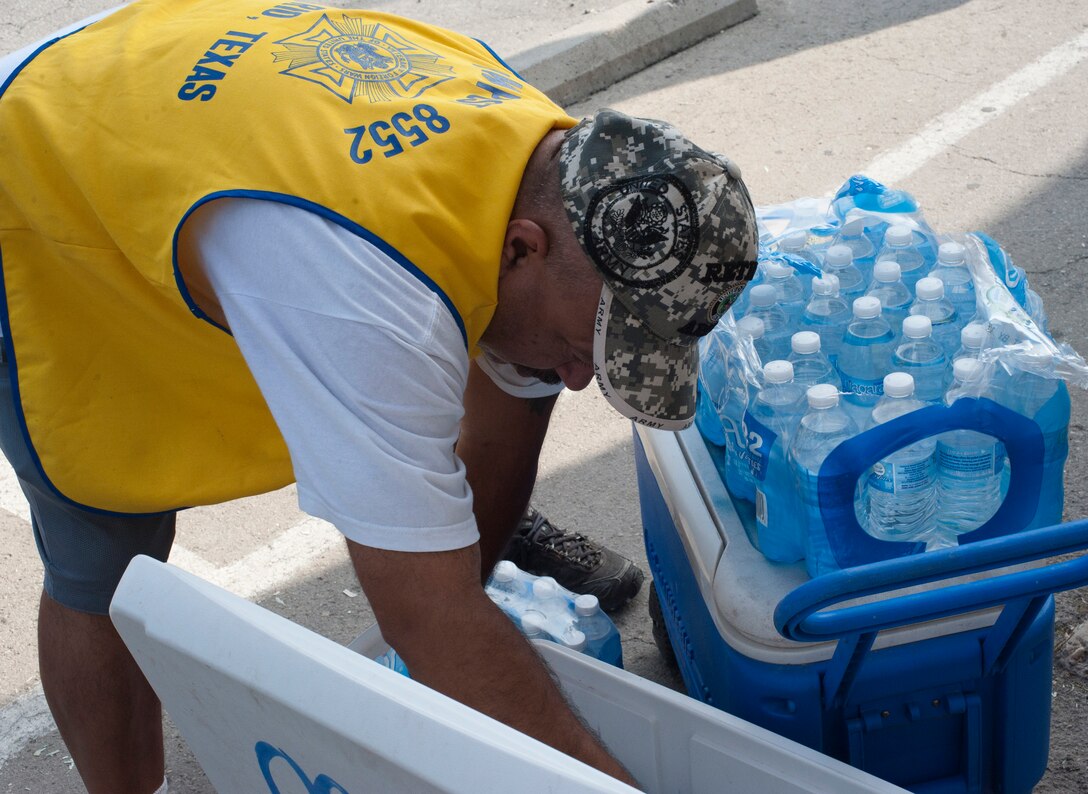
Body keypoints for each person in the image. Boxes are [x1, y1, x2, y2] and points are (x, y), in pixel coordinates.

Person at [0, 1, 758, 791]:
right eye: (581, 348)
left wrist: (457, 638)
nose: (576, 378)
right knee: (106, 545)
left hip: (187, 116)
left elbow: (508, 412)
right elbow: (428, 618)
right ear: (522, 249)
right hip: (38, 168)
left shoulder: (552, 166)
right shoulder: (362, 298)